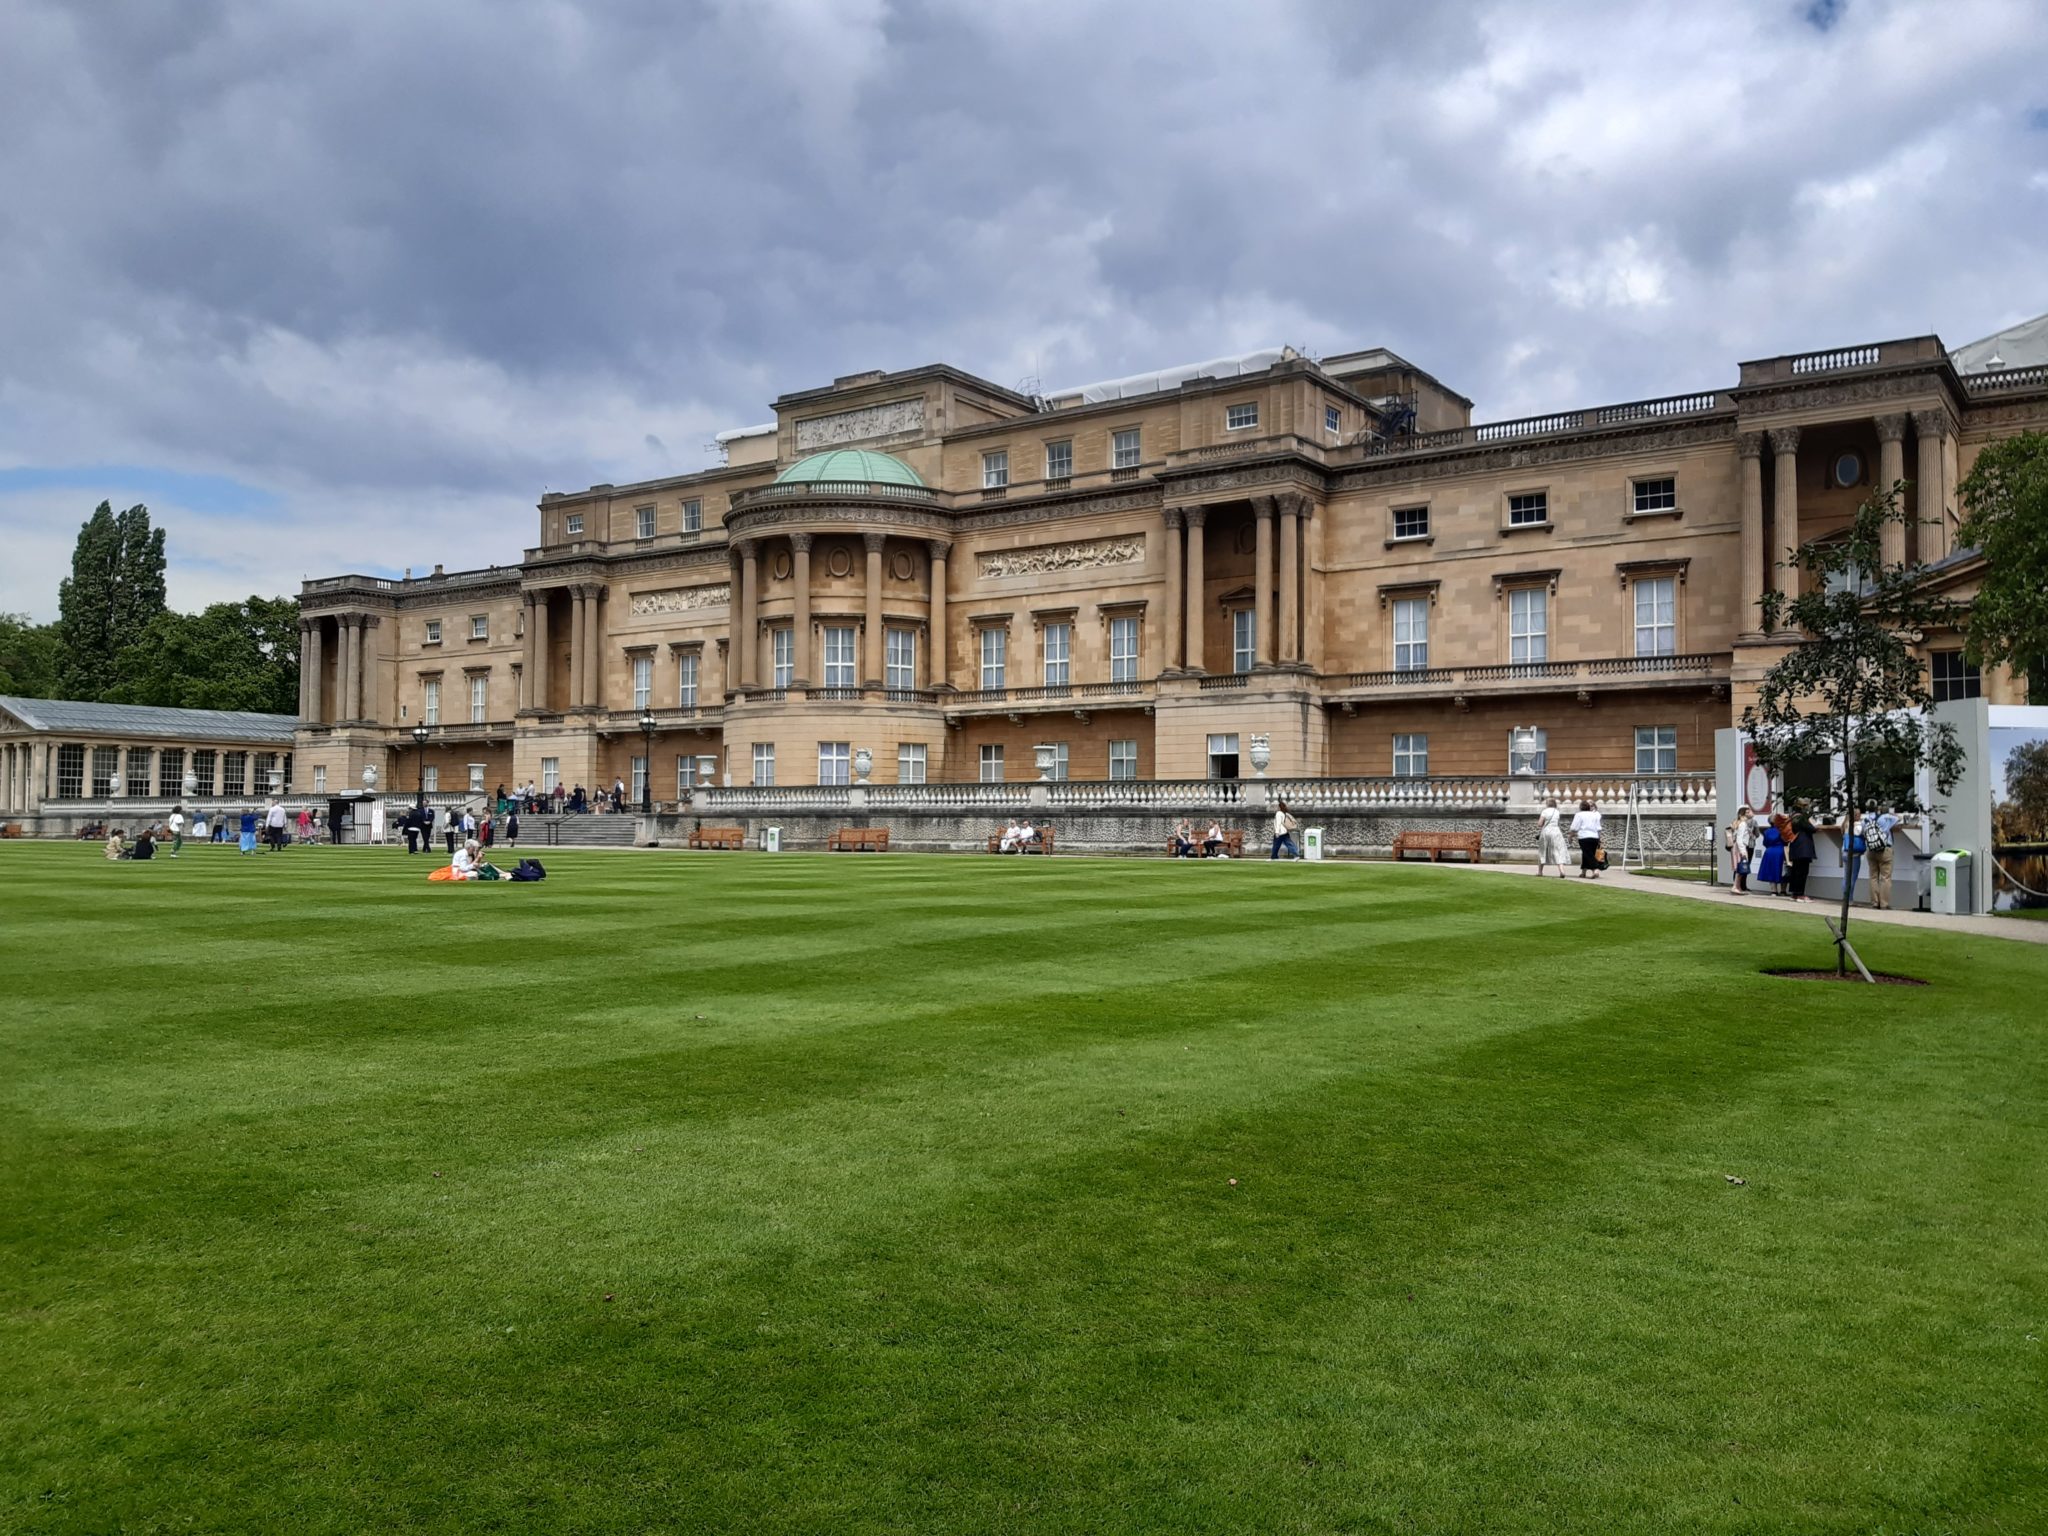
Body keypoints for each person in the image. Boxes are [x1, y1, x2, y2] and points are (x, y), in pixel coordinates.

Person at [1866, 805, 1903, 910]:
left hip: (1871, 849)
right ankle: (1884, 903)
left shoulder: (1867, 818)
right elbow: (1899, 819)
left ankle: (1874, 902)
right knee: (1885, 877)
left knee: (1873, 877)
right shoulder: (1886, 817)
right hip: (1884, 849)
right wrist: (1892, 813)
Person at [1787, 804, 1818, 903]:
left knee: (1795, 871)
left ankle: (1794, 893)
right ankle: (1800, 894)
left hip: (1795, 847)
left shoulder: (1791, 818)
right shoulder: (1802, 819)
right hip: (1804, 848)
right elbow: (1813, 829)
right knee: (1802, 872)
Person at [1536, 797, 1571, 878]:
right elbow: (1558, 823)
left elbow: (1540, 824)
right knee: (1558, 851)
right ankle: (1562, 871)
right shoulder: (1557, 812)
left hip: (1546, 832)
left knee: (1543, 850)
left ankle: (1540, 872)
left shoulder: (1545, 811)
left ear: (1547, 804)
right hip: (1556, 832)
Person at [1569, 799, 1603, 878]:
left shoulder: (1579, 815)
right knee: (1586, 854)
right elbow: (1598, 828)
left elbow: (1574, 827)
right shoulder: (1594, 815)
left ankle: (1596, 869)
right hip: (1594, 837)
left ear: (1581, 807)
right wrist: (1600, 838)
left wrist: (1570, 837)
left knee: (1588, 854)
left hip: (1584, 837)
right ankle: (1583, 872)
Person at [1754, 814, 1786, 895]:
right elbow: (1786, 840)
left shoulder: (1766, 831)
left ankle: (1773, 891)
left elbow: (1765, 843)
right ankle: (1783, 890)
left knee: (1771, 871)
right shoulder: (1782, 830)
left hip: (1769, 851)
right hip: (1781, 850)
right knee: (1783, 870)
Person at [1728, 806, 1756, 894]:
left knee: (1739, 868)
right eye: (1747, 812)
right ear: (1742, 814)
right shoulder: (1742, 824)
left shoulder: (1738, 823)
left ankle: (1737, 886)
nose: (1749, 814)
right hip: (1740, 847)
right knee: (1741, 868)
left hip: (1737, 847)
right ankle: (1735, 886)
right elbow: (1740, 839)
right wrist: (1743, 852)